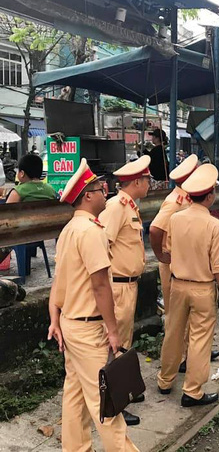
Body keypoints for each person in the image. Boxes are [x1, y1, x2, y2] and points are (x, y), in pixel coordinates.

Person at [47, 158, 138, 451]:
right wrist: (113, 331)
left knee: (74, 395)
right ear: (88, 195)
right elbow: (100, 286)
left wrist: (54, 319)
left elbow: (59, 284)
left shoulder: (69, 231)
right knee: (106, 402)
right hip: (88, 330)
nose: (106, 191)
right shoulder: (91, 232)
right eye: (100, 188)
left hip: (71, 324)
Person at [157, 164, 219, 407]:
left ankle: (165, 380)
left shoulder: (176, 219)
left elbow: (165, 247)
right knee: (200, 339)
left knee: (173, 333)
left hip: (177, 284)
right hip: (202, 288)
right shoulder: (214, 225)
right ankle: (192, 391)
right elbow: (218, 266)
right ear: (210, 196)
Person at [149, 155, 219, 371]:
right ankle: (178, 359)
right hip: (174, 267)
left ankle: (193, 353)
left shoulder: (187, 199)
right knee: (175, 318)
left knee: (190, 317)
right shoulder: (174, 202)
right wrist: (161, 256)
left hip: (185, 265)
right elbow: (155, 229)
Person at [98, 155, 151, 426]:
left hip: (127, 286)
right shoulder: (117, 207)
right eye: (148, 180)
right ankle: (114, 403)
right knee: (114, 347)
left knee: (124, 342)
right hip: (117, 286)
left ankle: (121, 392)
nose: (150, 184)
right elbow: (101, 244)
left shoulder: (129, 206)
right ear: (138, 181)